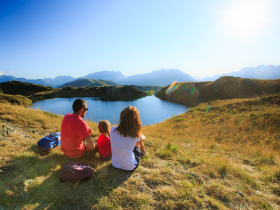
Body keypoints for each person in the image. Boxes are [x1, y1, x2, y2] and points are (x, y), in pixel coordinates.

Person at [110, 106, 148, 171]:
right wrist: (139, 133)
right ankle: (144, 152)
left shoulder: (112, 129)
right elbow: (144, 138)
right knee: (138, 141)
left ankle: (143, 151)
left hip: (114, 164)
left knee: (135, 140)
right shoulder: (135, 135)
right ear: (135, 120)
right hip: (129, 167)